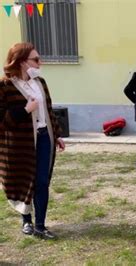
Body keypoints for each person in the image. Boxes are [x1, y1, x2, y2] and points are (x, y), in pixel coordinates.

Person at [0, 42, 65, 239]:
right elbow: (2, 121)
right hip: (19, 145)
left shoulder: (40, 83)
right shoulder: (4, 86)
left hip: (44, 138)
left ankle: (40, 225)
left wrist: (57, 134)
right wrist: (25, 110)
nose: (40, 63)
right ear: (20, 62)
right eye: (36, 59)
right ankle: (26, 220)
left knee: (42, 182)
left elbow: (49, 111)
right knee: (24, 181)